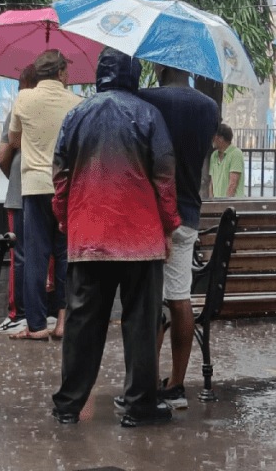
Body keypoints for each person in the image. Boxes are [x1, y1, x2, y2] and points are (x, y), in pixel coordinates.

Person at [50, 47, 180, 428]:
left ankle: (68, 405)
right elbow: (164, 178)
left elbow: (60, 175)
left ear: (99, 75)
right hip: (141, 240)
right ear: (134, 75)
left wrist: (63, 218)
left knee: (81, 325)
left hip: (88, 237)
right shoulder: (149, 115)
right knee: (141, 325)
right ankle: (140, 406)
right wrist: (168, 226)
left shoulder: (76, 114)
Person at [136, 63, 219, 410]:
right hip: (188, 212)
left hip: (151, 213)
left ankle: (146, 383)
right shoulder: (208, 107)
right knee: (179, 296)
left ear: (158, 64)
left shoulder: (145, 100)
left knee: (151, 301)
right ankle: (177, 383)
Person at [8, 50, 82, 341]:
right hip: (66, 187)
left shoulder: (24, 99)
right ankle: (63, 321)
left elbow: (13, 140)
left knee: (35, 257)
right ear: (62, 73)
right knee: (65, 255)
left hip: (35, 187)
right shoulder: (76, 103)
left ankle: (36, 325)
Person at [0, 67, 33, 335]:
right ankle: (47, 311)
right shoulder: (62, 109)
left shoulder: (18, 111)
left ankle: (18, 313)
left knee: (19, 254)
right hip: (52, 191)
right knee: (47, 252)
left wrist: (12, 177)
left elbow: (3, 155)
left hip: (20, 192)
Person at [210, 123, 245, 197]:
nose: (212, 139)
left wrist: (225, 204)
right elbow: (212, 183)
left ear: (221, 138)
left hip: (232, 205)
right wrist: (212, 202)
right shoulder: (214, 155)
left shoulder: (236, 153)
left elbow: (233, 184)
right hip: (217, 204)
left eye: (214, 136)